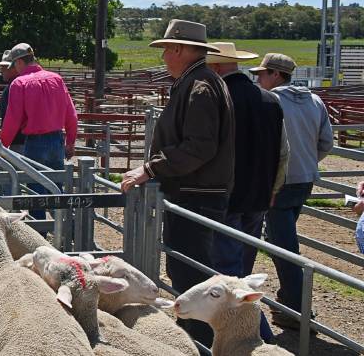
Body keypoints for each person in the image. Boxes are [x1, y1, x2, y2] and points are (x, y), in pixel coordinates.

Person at [121, 19, 234, 346]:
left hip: (196, 194)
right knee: (189, 271)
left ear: (181, 50)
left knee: (191, 276)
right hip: (198, 191)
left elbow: (199, 145)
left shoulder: (199, 87)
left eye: (168, 50)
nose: (164, 57)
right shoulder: (201, 82)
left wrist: (151, 169)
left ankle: (197, 345)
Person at [206, 42, 286, 343]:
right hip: (259, 197)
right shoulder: (270, 100)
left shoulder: (218, 99)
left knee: (231, 277)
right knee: (243, 270)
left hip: (225, 197)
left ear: (215, 68)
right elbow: (282, 153)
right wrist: (273, 189)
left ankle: (257, 338)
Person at [251, 52, 334, 329]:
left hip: (278, 182)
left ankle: (299, 310)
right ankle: (290, 299)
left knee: (284, 246)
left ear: (276, 75)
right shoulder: (315, 100)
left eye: (262, 74)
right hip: (304, 180)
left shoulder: (271, 101)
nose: (258, 79)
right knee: (281, 240)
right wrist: (307, 163)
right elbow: (326, 143)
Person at [0, 42, 78, 218]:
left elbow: (12, 120)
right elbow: (71, 113)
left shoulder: (19, 83)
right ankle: (68, 231)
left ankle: (39, 234)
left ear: (19, 62)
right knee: (57, 189)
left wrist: (1, 146)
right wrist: (70, 142)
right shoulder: (56, 79)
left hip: (35, 142)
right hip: (57, 140)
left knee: (35, 191)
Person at [0, 50, 25, 152]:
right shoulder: (17, 85)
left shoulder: (14, 87)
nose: (2, 70)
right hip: (20, 139)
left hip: (18, 141)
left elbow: (12, 117)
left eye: (6, 67)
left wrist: (3, 142)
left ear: (16, 67)